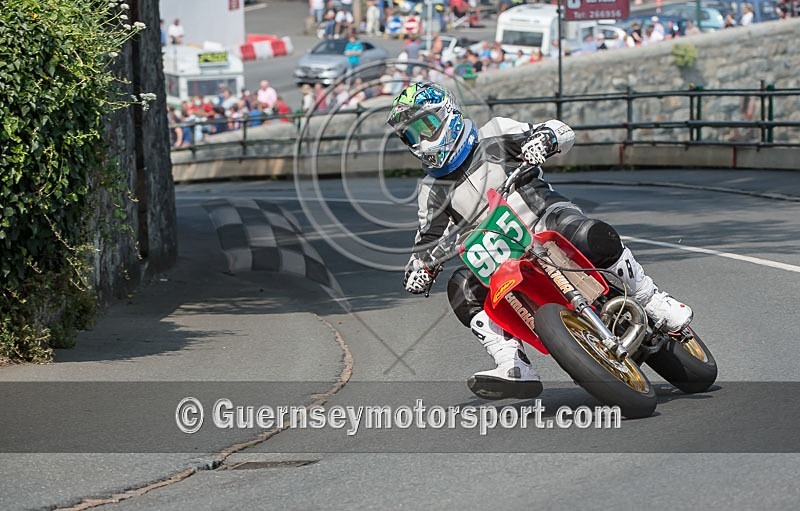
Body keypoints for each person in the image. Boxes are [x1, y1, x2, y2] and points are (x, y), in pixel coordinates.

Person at [386, 82, 694, 400]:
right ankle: (512, 364)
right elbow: (427, 241)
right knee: (461, 285)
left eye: (425, 125)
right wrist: (419, 269)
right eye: (410, 135)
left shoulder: (496, 132)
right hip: (501, 256)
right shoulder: (430, 192)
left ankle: (651, 299)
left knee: (587, 233)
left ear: (447, 114)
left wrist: (544, 140)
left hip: (545, 219)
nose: (420, 140)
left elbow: (558, 130)